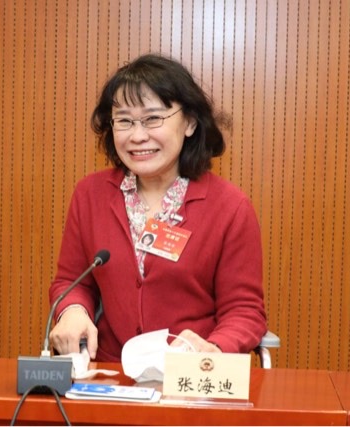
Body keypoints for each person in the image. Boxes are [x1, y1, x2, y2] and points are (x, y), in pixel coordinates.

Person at [48, 53, 267, 362]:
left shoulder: (230, 207)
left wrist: (213, 347)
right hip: (110, 376)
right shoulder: (90, 195)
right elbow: (72, 282)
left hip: (188, 374)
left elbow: (244, 310)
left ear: (190, 122)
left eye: (153, 119)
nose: (138, 136)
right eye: (124, 121)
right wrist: (72, 310)